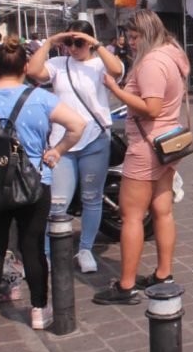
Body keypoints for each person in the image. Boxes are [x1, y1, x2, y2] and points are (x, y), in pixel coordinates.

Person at [0, 37, 86, 334]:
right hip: (35, 183)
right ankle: (39, 309)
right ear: (26, 67)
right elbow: (78, 125)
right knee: (32, 247)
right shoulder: (40, 98)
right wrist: (57, 151)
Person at [93, 10, 190, 305]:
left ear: (147, 34)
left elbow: (151, 108)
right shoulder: (172, 54)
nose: (130, 42)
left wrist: (115, 89)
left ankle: (126, 285)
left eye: (134, 37)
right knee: (163, 211)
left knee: (132, 216)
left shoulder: (152, 63)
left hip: (148, 145)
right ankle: (163, 274)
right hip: (167, 144)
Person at [27, 20, 126, 273]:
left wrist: (96, 44)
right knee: (57, 202)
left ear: (89, 42)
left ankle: (85, 249)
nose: (73, 48)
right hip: (62, 143)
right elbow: (34, 71)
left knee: (92, 198)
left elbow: (117, 70)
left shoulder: (100, 63)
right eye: (69, 42)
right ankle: (49, 252)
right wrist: (50, 42)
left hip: (95, 139)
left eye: (79, 42)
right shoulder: (59, 64)